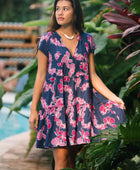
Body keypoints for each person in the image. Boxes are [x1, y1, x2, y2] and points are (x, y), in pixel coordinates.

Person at [29, 0, 126, 169]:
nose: (60, 12)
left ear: (75, 12)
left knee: (71, 159)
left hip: (79, 106)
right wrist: (33, 109)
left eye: (65, 9)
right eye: (57, 9)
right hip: (56, 105)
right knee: (61, 157)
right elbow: (41, 76)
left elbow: (92, 75)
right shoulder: (47, 40)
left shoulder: (87, 40)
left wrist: (114, 97)